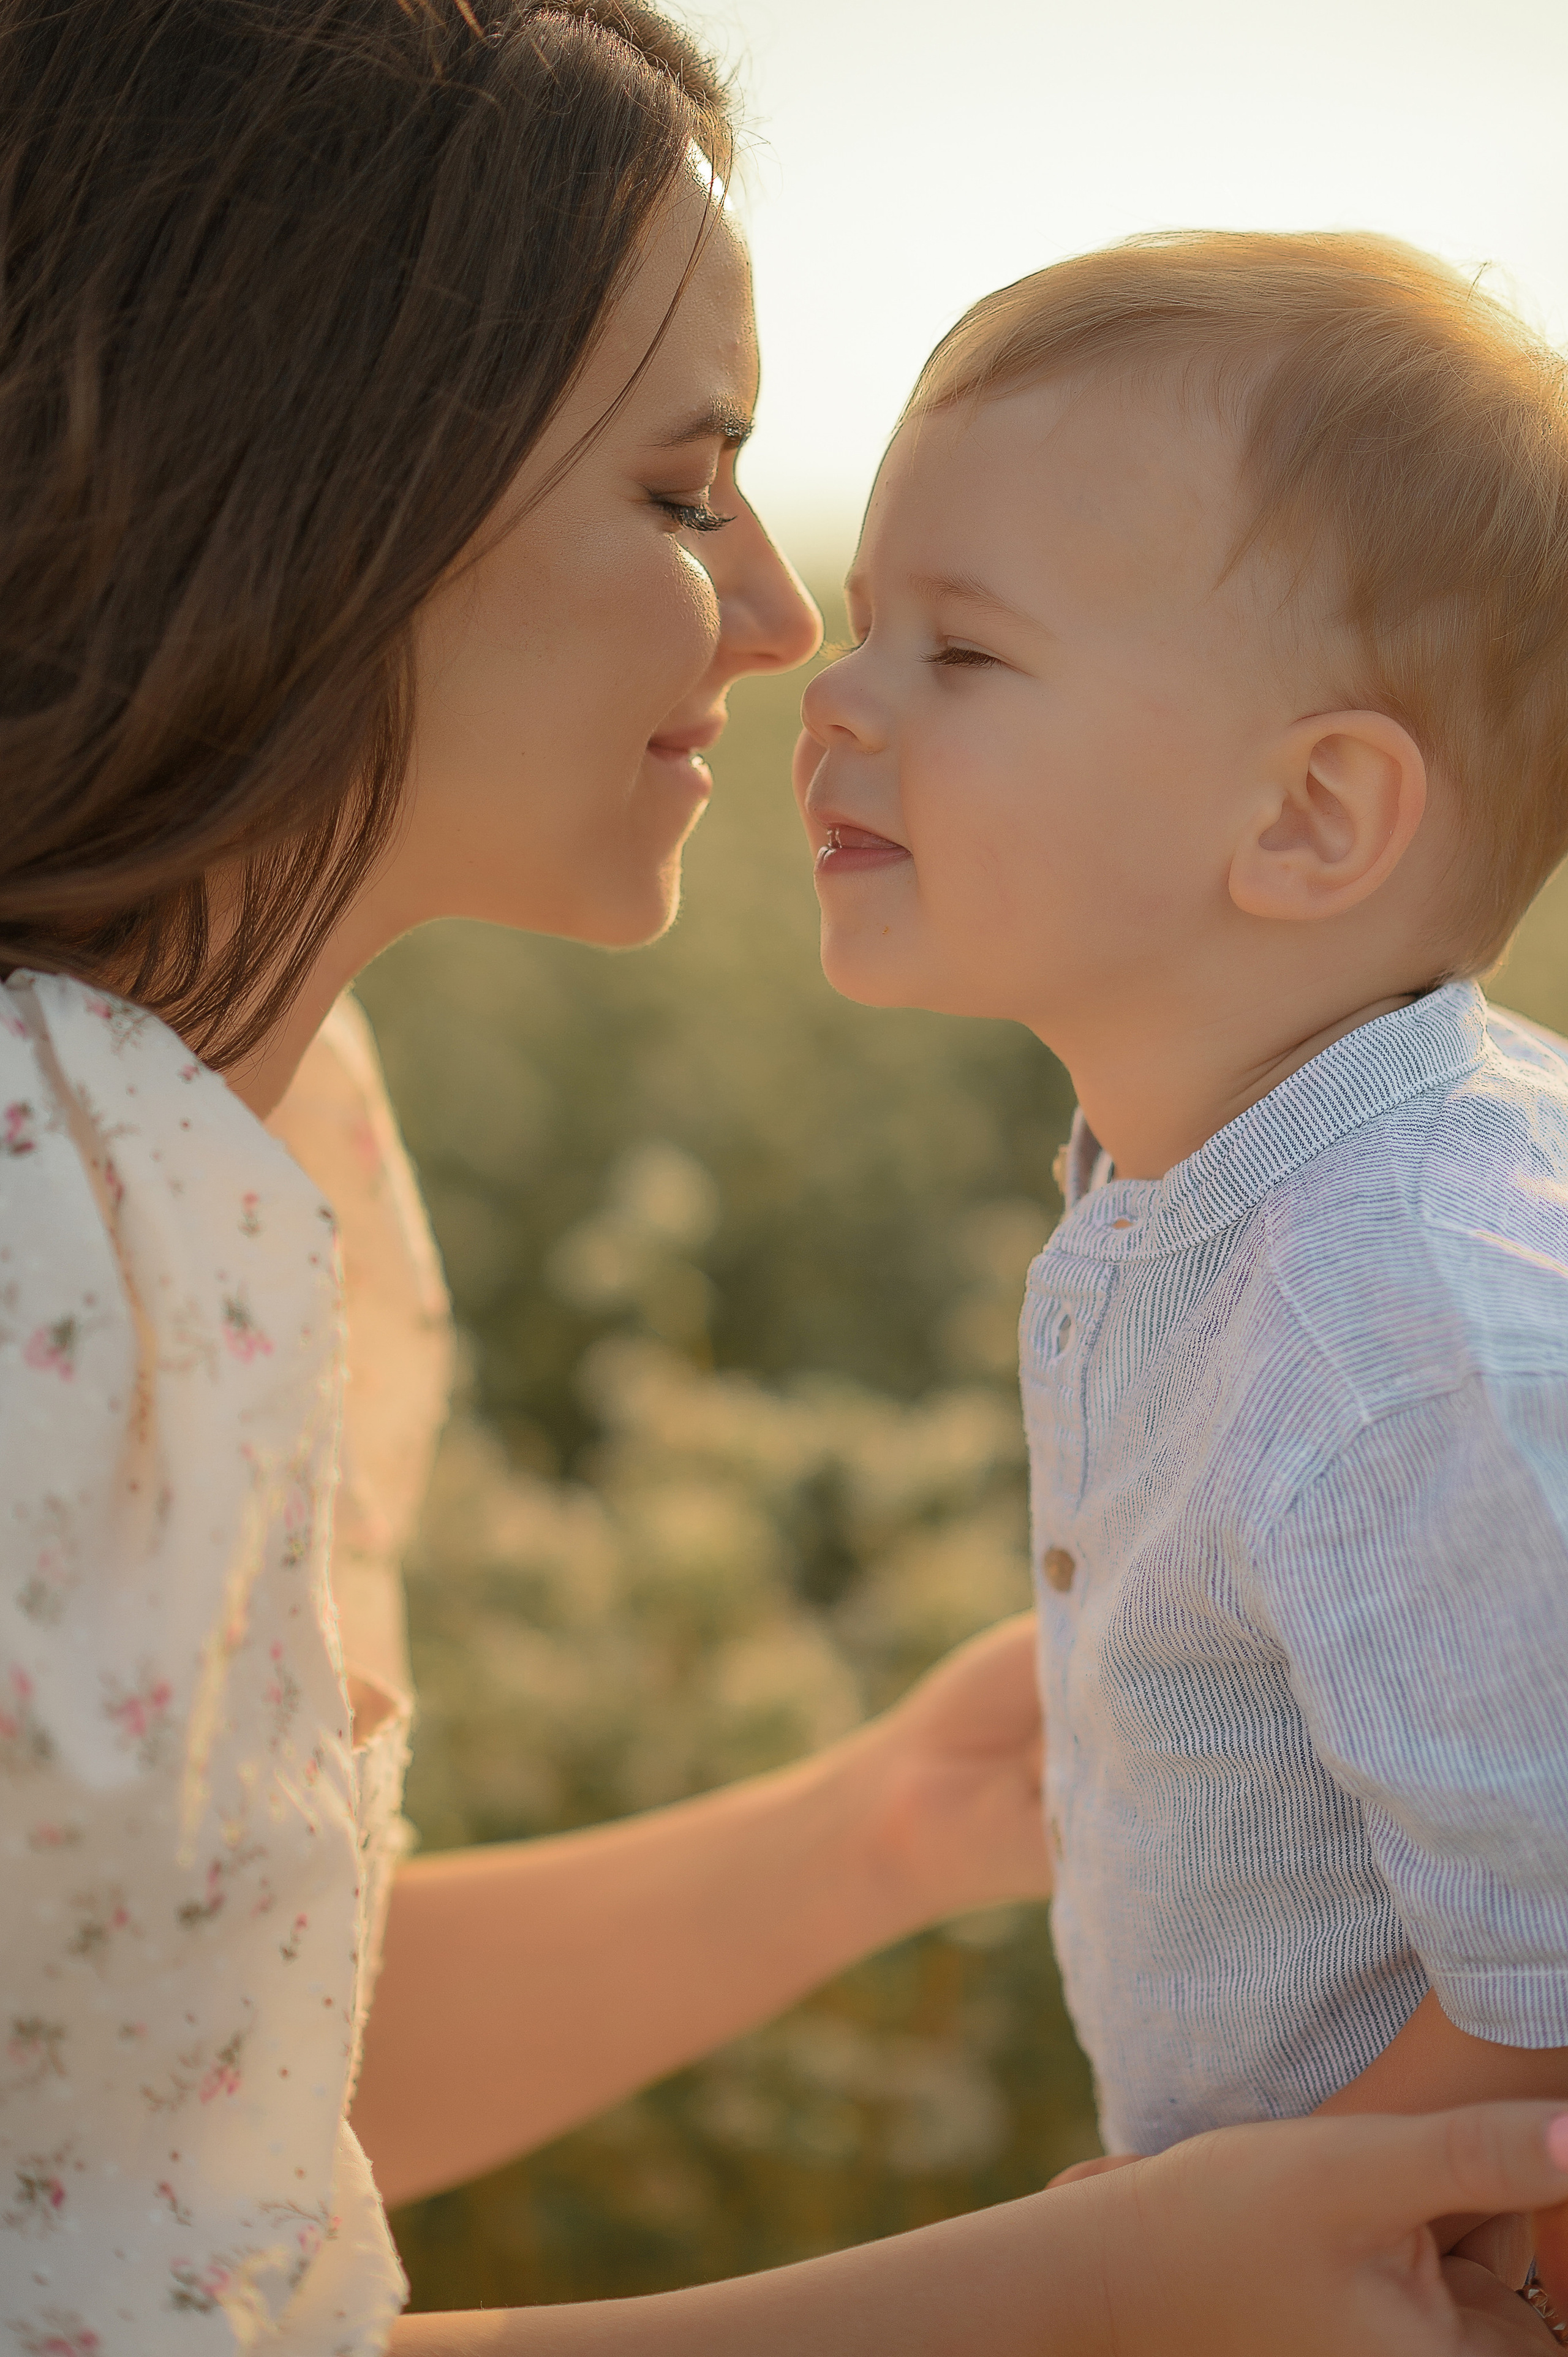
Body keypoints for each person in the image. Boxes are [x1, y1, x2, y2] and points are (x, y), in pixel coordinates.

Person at [0, 2, 1564, 2344]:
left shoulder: (273, 1137)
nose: (785, 628)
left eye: (968, 641)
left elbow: (149, 2091)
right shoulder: (55, 1189)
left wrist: (880, 1827)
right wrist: (1092, 2296)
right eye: (675, 483)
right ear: (315, 480)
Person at [793, 229, 1568, 2321]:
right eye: (870, 626)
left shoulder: (1389, 1320)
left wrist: (1184, 2261)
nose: (834, 694)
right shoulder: (1240, 1178)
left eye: (962, 652)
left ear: (1311, 819)